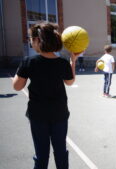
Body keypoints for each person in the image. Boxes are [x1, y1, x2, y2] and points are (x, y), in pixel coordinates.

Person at [12, 22, 79, 169]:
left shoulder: (29, 62)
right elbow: (70, 82)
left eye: (30, 38)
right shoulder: (62, 63)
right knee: (61, 152)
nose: (30, 41)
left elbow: (17, 86)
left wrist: (20, 69)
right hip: (59, 113)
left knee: (41, 154)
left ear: (38, 40)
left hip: (38, 115)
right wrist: (72, 62)